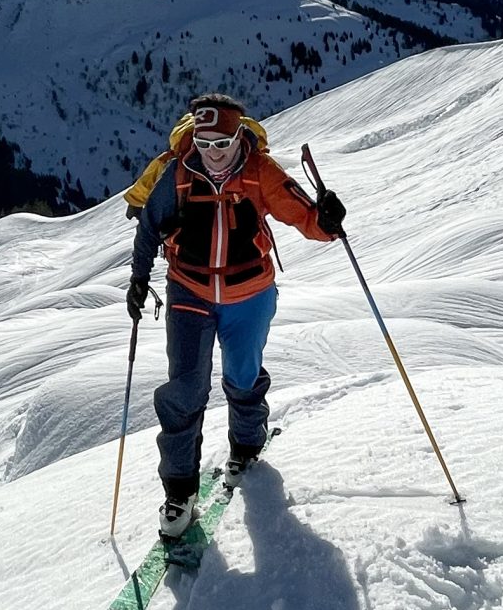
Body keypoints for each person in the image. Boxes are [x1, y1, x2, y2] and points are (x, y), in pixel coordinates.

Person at [125, 93, 345, 540]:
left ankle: (246, 443)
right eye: (205, 144)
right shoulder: (180, 172)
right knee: (184, 388)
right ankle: (179, 491)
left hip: (250, 292)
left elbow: (305, 219)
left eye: (222, 142)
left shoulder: (261, 172)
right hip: (189, 289)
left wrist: (327, 219)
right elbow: (150, 225)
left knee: (243, 376)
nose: (213, 152)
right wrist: (138, 279)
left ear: (239, 134)